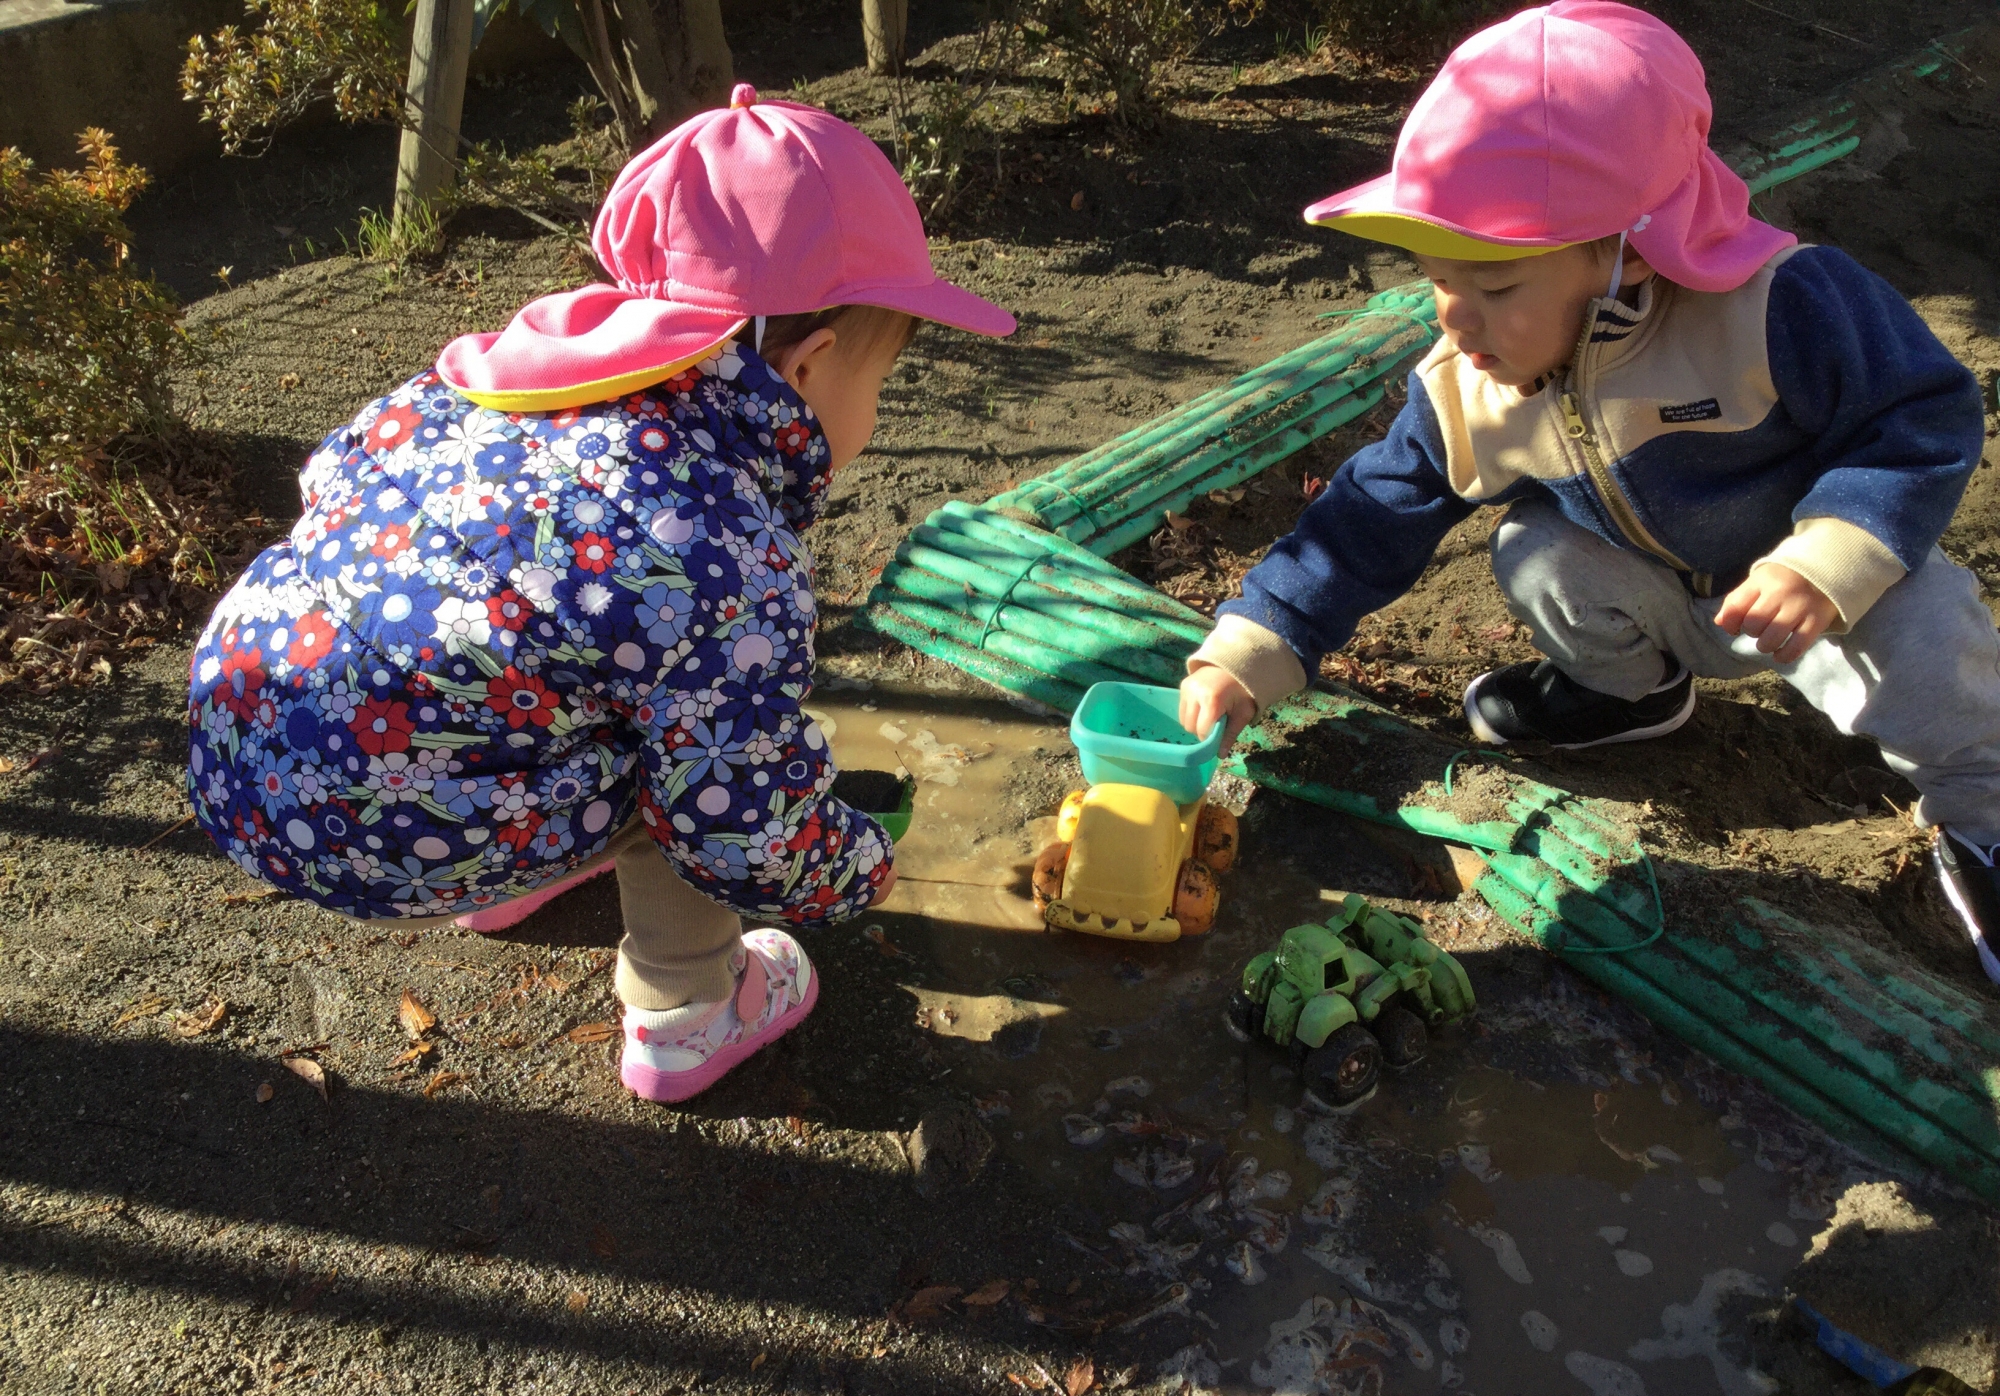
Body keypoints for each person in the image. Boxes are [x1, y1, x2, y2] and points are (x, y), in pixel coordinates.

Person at [187, 85, 1016, 1098]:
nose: (874, 413)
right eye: (879, 384)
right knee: (699, 766)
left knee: (535, 662)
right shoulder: (718, 550)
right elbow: (742, 820)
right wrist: (854, 865)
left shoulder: (462, 394)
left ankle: (503, 866)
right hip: (390, 836)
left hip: (245, 754)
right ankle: (687, 1013)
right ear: (810, 365)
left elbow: (339, 498)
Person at [1177, 2, 1999, 977]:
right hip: (1659, 591)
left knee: (1928, 628)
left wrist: (1834, 556)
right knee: (1532, 549)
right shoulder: (1470, 386)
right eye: (1437, 278)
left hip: (1811, 600)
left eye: (1494, 285)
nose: (1455, 317)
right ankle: (1627, 694)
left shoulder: (1775, 307)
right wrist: (1252, 648)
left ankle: (1984, 820)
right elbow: (1369, 515)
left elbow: (1922, 413)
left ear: (1629, 250)